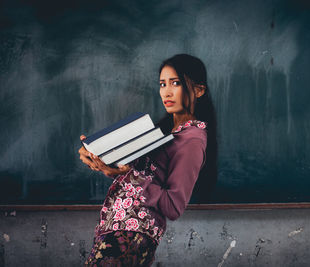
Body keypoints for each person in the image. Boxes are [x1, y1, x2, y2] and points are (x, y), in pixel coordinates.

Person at [79, 54, 218, 266]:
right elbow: (137, 176)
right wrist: (98, 157)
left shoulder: (192, 139)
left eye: (176, 83)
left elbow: (173, 206)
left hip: (131, 236)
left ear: (198, 90)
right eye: (162, 84)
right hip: (119, 230)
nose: (167, 92)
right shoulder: (162, 133)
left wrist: (127, 174)